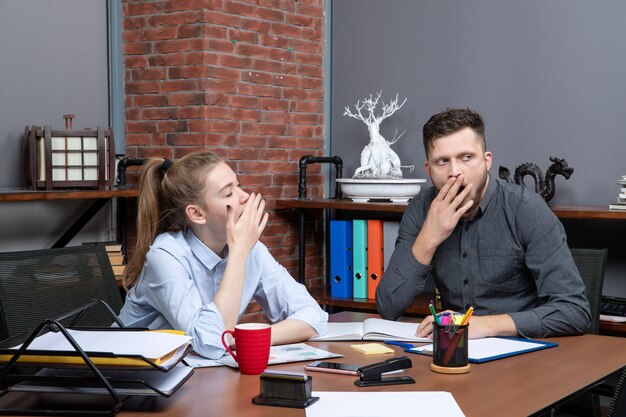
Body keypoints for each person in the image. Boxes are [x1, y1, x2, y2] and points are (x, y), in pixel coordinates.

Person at [376, 108, 591, 339]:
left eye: (466, 157)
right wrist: (429, 236)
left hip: (523, 353)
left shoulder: (526, 208)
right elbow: (388, 306)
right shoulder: (420, 210)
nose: (455, 172)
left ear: (487, 161)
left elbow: (575, 311)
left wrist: (484, 325)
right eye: (442, 161)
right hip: (454, 351)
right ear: (428, 169)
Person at [119, 151, 328, 359]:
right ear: (197, 214)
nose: (245, 196)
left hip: (194, 374)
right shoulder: (165, 255)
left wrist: (245, 338)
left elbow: (313, 316)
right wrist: (238, 253)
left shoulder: (251, 250)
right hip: (127, 377)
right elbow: (211, 344)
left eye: (238, 185)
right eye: (228, 194)